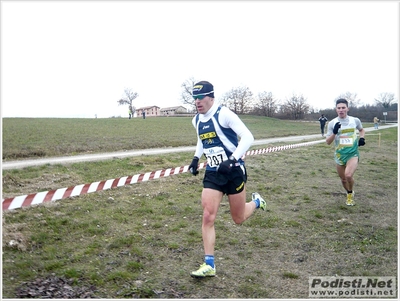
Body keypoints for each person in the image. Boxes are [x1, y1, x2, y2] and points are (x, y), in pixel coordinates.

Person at [187, 81, 266, 278]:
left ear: (211, 97)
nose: (197, 102)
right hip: (213, 173)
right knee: (208, 216)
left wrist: (231, 160)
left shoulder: (224, 114)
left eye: (201, 97)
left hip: (234, 171)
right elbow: (201, 139)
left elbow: (248, 137)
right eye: (195, 98)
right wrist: (196, 158)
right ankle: (209, 264)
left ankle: (257, 202)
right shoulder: (196, 120)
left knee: (238, 218)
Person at [326, 98, 365, 206]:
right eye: (339, 108)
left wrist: (362, 138)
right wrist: (334, 132)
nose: (341, 110)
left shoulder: (354, 120)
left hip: (352, 153)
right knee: (343, 180)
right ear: (336, 109)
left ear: (347, 108)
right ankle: (348, 191)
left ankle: (350, 194)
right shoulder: (332, 123)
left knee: (348, 175)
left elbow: (361, 130)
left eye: (343, 107)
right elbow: (328, 142)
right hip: (339, 155)